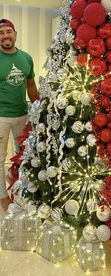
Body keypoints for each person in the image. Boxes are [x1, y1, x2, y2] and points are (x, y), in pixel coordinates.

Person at [0, 19, 38, 211]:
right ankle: (2, 196)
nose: (5, 36)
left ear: (15, 34)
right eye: (1, 33)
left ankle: (21, 189)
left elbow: (31, 86)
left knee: (23, 155)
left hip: (22, 115)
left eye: (9, 31)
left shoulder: (26, 58)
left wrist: (38, 106)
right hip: (1, 117)